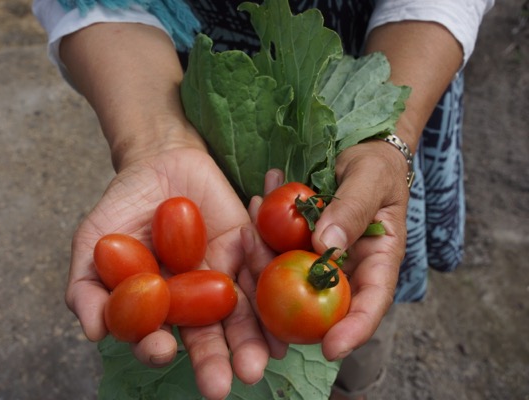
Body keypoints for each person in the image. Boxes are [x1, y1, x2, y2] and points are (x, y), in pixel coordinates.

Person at [32, 1, 494, 399]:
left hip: (389, 83)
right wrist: (154, 139)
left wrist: (389, 140)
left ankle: (353, 386)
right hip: (179, 92)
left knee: (360, 318)